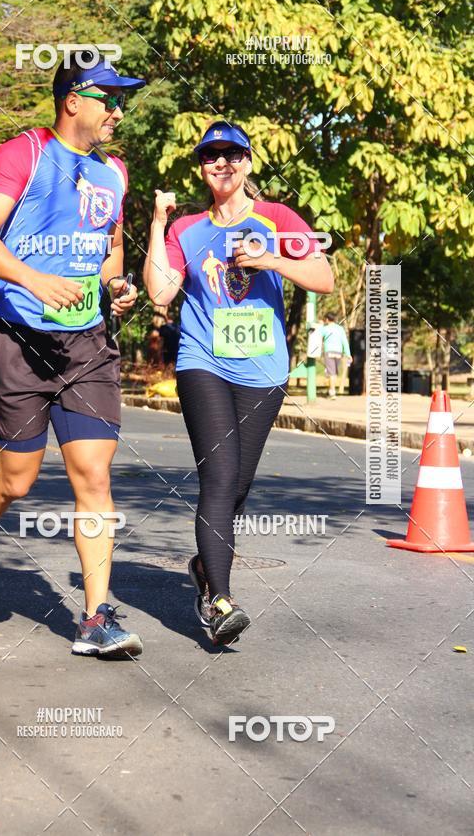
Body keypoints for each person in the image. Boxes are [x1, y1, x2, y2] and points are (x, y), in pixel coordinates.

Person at [0, 51, 146, 658]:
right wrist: (33, 280)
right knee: (17, 480)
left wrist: (115, 285)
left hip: (86, 343)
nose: (119, 110)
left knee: (94, 476)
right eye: (110, 97)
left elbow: (107, 248)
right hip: (18, 338)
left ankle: (95, 617)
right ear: (73, 100)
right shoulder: (21, 153)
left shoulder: (115, 173)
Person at [143, 121, 334, 646]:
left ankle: (205, 568)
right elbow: (160, 293)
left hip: (264, 370)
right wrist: (159, 223)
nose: (221, 163)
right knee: (220, 476)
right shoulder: (187, 228)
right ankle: (218, 601)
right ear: (202, 167)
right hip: (203, 361)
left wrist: (271, 258)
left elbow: (324, 278)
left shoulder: (277, 218)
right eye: (210, 156)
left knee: (238, 485)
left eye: (231, 154)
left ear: (248, 162)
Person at [321, 311, 352, 398]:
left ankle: (332, 392)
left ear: (327, 319)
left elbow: (318, 335)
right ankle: (331, 389)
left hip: (329, 352)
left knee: (331, 373)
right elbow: (344, 342)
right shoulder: (340, 328)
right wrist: (348, 354)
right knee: (333, 373)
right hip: (338, 352)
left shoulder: (325, 328)